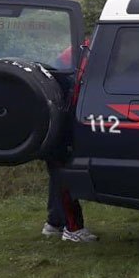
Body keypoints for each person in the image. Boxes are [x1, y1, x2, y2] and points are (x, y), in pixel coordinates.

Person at [41, 37, 97, 242]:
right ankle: (73, 229)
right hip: (62, 122)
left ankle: (54, 222)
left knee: (58, 175)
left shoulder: (82, 47)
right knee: (64, 175)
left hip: (53, 118)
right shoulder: (89, 50)